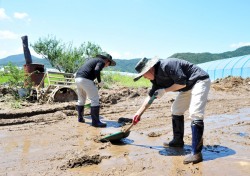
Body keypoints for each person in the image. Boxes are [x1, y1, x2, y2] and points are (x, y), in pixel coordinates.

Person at [132, 57, 211, 164]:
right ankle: (177, 141)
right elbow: (150, 96)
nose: (144, 78)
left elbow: (181, 83)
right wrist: (138, 113)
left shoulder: (168, 65)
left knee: (195, 113)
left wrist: (164, 90)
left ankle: (196, 153)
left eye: (143, 75)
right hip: (187, 87)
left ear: (149, 69)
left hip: (199, 80)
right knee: (176, 109)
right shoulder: (155, 79)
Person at [75, 52, 116, 127]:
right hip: (85, 80)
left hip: (77, 79)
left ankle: (80, 118)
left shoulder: (93, 60)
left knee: (81, 100)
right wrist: (100, 82)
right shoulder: (101, 61)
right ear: (107, 60)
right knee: (95, 99)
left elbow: (89, 71)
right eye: (109, 64)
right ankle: (96, 122)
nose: (108, 66)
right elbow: (97, 70)